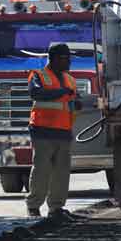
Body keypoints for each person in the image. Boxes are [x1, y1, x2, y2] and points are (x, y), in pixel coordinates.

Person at [25, 43, 82, 219]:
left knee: (61, 172)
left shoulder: (70, 79)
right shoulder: (38, 75)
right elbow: (36, 93)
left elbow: (74, 100)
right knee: (41, 170)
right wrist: (61, 92)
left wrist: (78, 103)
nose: (69, 62)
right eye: (66, 59)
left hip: (63, 131)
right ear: (56, 59)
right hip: (43, 130)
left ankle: (56, 208)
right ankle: (34, 207)